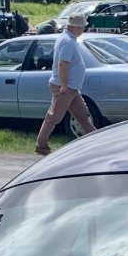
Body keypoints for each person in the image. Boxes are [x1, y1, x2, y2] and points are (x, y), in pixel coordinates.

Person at [34, 13, 99, 156]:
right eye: (82, 27)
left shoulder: (68, 39)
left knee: (83, 115)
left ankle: (95, 142)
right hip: (65, 87)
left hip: (72, 88)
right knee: (54, 117)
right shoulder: (68, 41)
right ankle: (41, 145)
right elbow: (62, 64)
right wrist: (64, 85)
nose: (83, 29)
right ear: (75, 27)